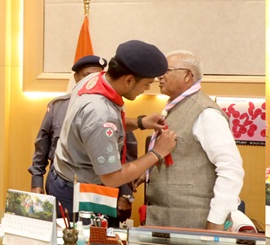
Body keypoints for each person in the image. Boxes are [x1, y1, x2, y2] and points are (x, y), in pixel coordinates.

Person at [50, 40, 177, 215]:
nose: (146, 89)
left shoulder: (95, 79)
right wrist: (157, 152)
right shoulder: (100, 113)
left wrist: (140, 122)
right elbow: (112, 177)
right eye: (146, 83)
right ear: (129, 80)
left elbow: (92, 129)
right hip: (76, 192)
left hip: (69, 177)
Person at [145, 50, 244, 230]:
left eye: (167, 70)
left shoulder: (206, 113)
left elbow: (231, 169)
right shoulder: (175, 107)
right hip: (165, 220)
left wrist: (217, 219)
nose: (160, 76)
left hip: (195, 223)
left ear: (188, 75)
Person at [29, 55, 107, 195]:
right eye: (87, 75)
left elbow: (124, 151)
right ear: (76, 77)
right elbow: (42, 145)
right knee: (60, 218)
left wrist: (126, 193)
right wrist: (37, 180)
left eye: (98, 75)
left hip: (100, 184)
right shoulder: (58, 106)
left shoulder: (111, 108)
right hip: (60, 182)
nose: (92, 80)